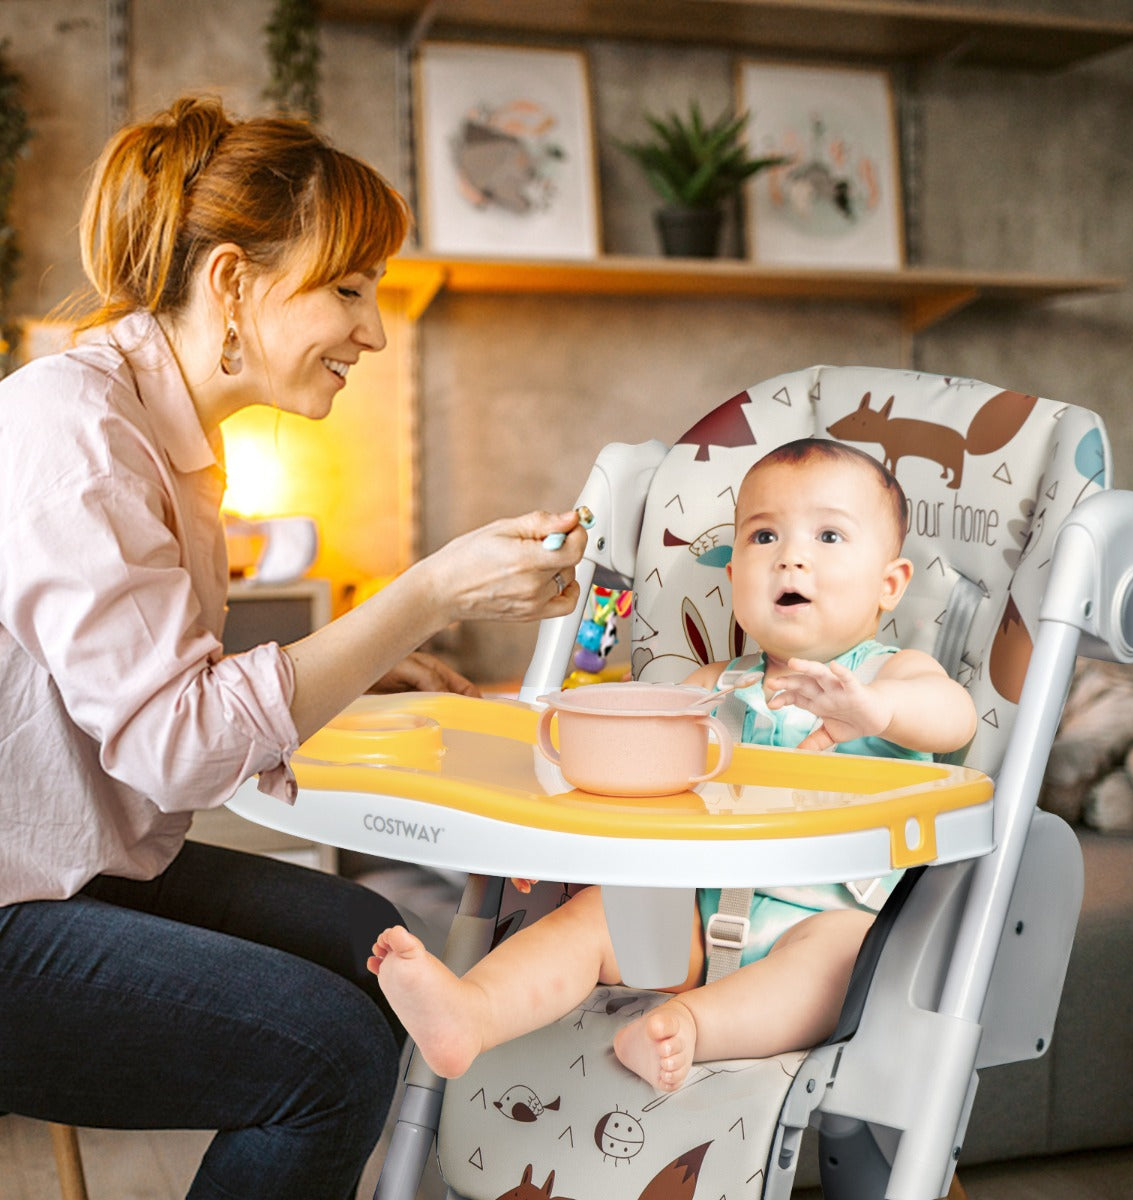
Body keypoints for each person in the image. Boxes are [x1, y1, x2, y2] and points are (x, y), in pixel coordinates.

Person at [0, 95, 585, 1200]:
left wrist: (360, 664)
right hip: (15, 901)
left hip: (65, 869)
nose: (371, 331)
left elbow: (155, 693)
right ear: (231, 283)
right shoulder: (72, 430)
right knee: (326, 1058)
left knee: (377, 947)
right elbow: (176, 749)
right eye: (351, 290)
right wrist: (426, 593)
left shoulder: (165, 438)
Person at [368, 438, 978, 1092]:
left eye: (829, 536)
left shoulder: (894, 676)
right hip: (691, 919)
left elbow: (955, 717)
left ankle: (689, 1025)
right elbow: (629, 775)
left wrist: (875, 711)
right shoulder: (712, 685)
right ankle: (471, 1013)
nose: (791, 556)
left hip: (819, 923)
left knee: (844, 957)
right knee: (595, 915)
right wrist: (551, 841)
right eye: (764, 536)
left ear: (889, 585)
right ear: (734, 571)